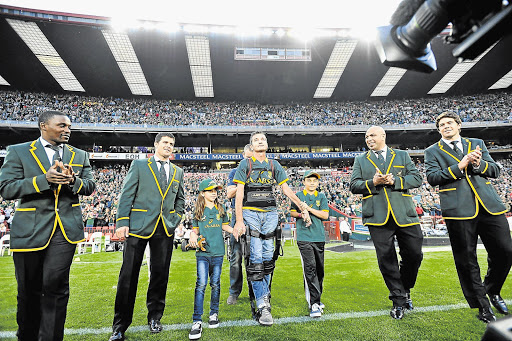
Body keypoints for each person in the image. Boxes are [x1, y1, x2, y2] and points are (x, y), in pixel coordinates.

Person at [0, 110, 96, 341]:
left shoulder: (79, 155)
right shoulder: (19, 151)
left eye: (69, 126)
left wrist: (74, 181)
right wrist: (44, 180)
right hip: (29, 230)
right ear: (43, 126)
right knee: (28, 291)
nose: (67, 130)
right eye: (61, 125)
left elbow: (90, 186)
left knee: (56, 287)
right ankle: (27, 335)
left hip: (65, 231)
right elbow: (6, 189)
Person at [424, 111, 512, 323]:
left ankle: (492, 289)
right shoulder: (432, 151)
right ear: (439, 130)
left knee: (506, 251)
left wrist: (477, 165)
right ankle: (482, 307)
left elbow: (494, 170)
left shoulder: (477, 142)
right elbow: (433, 178)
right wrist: (460, 166)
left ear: (459, 125)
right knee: (467, 260)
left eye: (449, 123)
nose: (446, 126)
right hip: (458, 210)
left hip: (489, 205)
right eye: (442, 125)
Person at [109, 132, 185, 341]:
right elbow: (127, 194)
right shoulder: (140, 166)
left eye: (172, 144)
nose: (169, 146)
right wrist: (122, 221)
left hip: (165, 228)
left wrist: (175, 219)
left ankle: (155, 317)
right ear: (156, 145)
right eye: (165, 143)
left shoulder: (178, 171)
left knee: (160, 275)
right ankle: (120, 326)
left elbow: (180, 200)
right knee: (128, 275)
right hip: (137, 226)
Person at [233, 131, 311, 326]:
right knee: (256, 257)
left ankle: (263, 297)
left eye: (263, 139)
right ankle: (263, 305)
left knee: (269, 257)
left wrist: (302, 207)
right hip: (250, 212)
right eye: (256, 140)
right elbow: (239, 194)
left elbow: (286, 190)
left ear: (267, 144)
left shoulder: (274, 165)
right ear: (251, 146)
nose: (261, 142)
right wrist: (239, 220)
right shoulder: (246, 164)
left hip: (271, 212)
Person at [350, 126, 423, 320]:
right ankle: (398, 299)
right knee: (386, 259)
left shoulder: (402, 155)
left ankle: (405, 288)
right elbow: (354, 185)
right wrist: (373, 182)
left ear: (383, 136)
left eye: (372, 135)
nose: (369, 139)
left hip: (405, 214)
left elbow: (417, 178)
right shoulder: (360, 160)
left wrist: (395, 181)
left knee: (415, 254)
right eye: (366, 137)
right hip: (377, 216)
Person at [188, 179, 234, 340]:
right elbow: (193, 230)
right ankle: (197, 320)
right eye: (210, 190)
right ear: (202, 193)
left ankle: (213, 314)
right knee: (201, 284)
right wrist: (193, 236)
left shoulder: (220, 208)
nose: (214, 192)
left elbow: (225, 226)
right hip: (202, 254)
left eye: (215, 190)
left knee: (215, 284)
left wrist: (235, 230)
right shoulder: (198, 211)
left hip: (218, 253)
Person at [289, 170, 329, 318]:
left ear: (318, 183)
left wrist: (308, 209)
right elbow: (292, 212)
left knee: (320, 270)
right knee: (310, 268)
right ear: (304, 182)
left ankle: (317, 298)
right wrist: (301, 213)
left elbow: (325, 215)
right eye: (309, 180)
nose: (312, 183)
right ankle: (314, 303)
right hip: (304, 237)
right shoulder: (298, 196)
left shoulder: (322, 196)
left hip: (319, 237)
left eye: (315, 181)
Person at [226, 144, 253, 305]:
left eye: (252, 158)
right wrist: (242, 181)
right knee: (235, 257)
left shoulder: (260, 174)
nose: (249, 161)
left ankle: (253, 291)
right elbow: (229, 193)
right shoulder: (235, 172)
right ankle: (234, 292)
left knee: (253, 257)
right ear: (243, 156)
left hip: (254, 216)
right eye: (248, 157)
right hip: (237, 216)